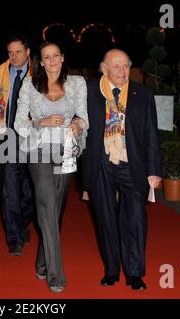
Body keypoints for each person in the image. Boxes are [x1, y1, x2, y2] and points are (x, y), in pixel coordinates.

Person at [82, 49, 162, 290]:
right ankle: (111, 270)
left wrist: (154, 170)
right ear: (103, 68)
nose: (121, 71)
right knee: (105, 220)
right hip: (100, 162)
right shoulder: (88, 91)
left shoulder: (143, 93)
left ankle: (135, 273)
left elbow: (151, 134)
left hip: (132, 164)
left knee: (136, 218)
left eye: (125, 66)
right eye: (115, 66)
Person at [14, 41, 89, 293]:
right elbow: (18, 124)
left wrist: (78, 124)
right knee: (46, 204)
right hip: (39, 151)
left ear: (62, 57)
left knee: (55, 210)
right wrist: (40, 122)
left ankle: (42, 261)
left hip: (66, 151)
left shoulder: (77, 83)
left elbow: (84, 117)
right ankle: (56, 275)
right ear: (41, 61)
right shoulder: (30, 84)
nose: (52, 61)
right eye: (47, 57)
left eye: (56, 56)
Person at [0, 34, 36, 256]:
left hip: (33, 139)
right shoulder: (1, 72)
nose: (14, 56)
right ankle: (14, 239)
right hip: (7, 136)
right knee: (9, 190)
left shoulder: (38, 73)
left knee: (31, 193)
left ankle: (22, 222)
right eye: (10, 52)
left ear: (28, 52)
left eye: (18, 52)